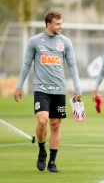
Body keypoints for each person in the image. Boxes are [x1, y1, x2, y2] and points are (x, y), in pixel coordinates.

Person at [13, 11, 82, 173]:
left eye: (61, 23)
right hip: (41, 89)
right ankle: (42, 150)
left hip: (59, 90)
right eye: (58, 24)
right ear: (48, 24)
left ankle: (52, 162)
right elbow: (26, 65)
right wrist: (19, 86)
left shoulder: (65, 42)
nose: (61, 26)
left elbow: (72, 65)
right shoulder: (35, 41)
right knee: (43, 120)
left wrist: (77, 87)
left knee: (55, 125)